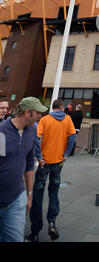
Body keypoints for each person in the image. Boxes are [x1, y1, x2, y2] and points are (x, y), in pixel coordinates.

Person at [26, 98, 76, 242]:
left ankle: (35, 230)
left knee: (38, 194)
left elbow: (37, 138)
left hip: (44, 162)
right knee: (54, 192)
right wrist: (66, 153)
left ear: (52, 107)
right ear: (61, 107)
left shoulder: (45, 120)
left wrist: (39, 156)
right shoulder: (67, 119)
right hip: (58, 162)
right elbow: (72, 136)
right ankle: (52, 222)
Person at [0, 97, 48, 242]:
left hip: (16, 198)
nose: (40, 116)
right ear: (28, 113)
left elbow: (28, 164)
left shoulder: (32, 131)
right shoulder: (2, 132)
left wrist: (29, 194)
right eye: (38, 113)